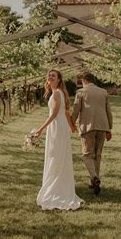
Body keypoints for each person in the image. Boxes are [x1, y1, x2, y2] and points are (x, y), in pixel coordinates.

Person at [34, 69, 83, 210]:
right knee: (58, 156)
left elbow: (54, 114)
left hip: (56, 127)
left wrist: (40, 129)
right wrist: (72, 127)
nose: (50, 77)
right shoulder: (60, 92)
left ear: (59, 79)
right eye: (49, 75)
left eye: (53, 75)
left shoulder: (56, 93)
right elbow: (66, 112)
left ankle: (57, 190)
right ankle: (60, 185)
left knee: (55, 156)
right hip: (61, 127)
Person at [71, 72, 112, 195]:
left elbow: (76, 110)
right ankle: (94, 181)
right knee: (97, 155)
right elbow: (108, 111)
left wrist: (71, 124)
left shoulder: (81, 92)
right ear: (93, 80)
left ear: (84, 81)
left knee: (87, 154)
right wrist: (109, 128)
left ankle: (94, 177)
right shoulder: (103, 92)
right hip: (102, 126)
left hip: (87, 127)